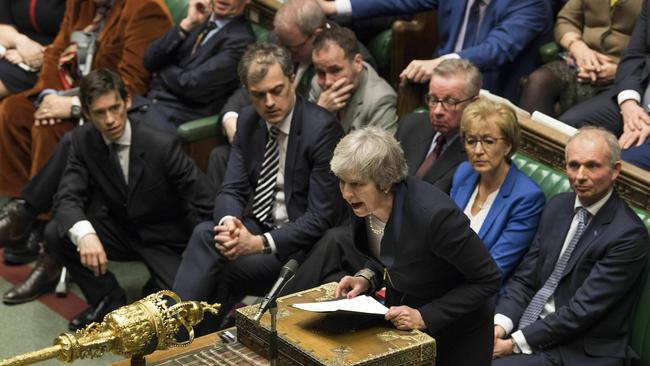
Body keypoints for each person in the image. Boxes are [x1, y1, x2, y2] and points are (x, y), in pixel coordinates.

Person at [3, 69, 214, 330]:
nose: (111, 120)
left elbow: (207, 201)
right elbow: (67, 197)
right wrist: (85, 234)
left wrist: (196, 251)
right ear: (88, 114)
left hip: (165, 239)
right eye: (100, 113)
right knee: (57, 232)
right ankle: (107, 299)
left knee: (187, 319)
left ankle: (159, 284)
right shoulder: (83, 140)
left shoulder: (161, 143)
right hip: (119, 228)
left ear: (127, 102)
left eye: (115, 108)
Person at [172, 43, 345, 334]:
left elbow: (321, 217)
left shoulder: (322, 130)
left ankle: (182, 339)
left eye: (276, 90)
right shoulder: (250, 121)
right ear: (247, 90)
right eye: (258, 95)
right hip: (256, 224)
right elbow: (232, 189)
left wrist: (258, 243)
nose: (269, 103)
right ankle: (177, 329)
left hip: (298, 247)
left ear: (292, 80)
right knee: (206, 234)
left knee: (221, 270)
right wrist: (230, 225)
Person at [0, 0, 172, 248]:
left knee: (49, 127)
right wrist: (49, 94)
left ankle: (41, 222)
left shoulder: (145, 9)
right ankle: (20, 209)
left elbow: (132, 85)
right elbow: (57, 50)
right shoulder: (80, 3)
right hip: (67, 87)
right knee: (14, 111)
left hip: (108, 106)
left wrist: (74, 106)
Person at [330, 127, 501, 366]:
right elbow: (391, 254)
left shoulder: (435, 216)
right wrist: (367, 276)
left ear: (385, 181)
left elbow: (488, 279)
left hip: (455, 333)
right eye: (342, 181)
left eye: (356, 184)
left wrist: (425, 316)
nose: (347, 193)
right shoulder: (363, 202)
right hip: (402, 317)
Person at [492, 127, 649, 365]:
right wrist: (500, 327)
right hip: (529, 332)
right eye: (573, 165)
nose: (580, 176)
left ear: (615, 170)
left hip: (576, 350)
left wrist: (514, 343)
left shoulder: (628, 234)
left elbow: (582, 311)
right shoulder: (557, 207)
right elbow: (525, 279)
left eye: (592, 166)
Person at [315, 0, 552, 102]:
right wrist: (335, 6)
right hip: (437, 90)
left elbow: (496, 49)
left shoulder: (529, 4)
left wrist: (441, 63)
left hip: (488, 97)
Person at [450, 99, 545, 279]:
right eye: (471, 141)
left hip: (479, 291)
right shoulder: (464, 172)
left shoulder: (527, 197)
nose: (478, 150)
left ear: (508, 145)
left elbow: (496, 268)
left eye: (488, 141)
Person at [138, 0, 255, 134]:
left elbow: (191, 84)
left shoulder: (242, 41)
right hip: (151, 101)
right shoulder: (200, 19)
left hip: (180, 115)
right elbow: (149, 60)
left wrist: (161, 69)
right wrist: (187, 24)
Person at [559, 0, 650, 171]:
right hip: (641, 92)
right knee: (569, 125)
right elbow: (635, 54)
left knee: (622, 163)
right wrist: (629, 103)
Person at [519, 0, 642, 117]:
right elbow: (566, 20)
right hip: (580, 60)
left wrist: (620, 70)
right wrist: (578, 48)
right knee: (538, 82)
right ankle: (526, 139)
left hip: (626, 73)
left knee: (572, 116)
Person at [396, 58, 480, 193]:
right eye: (433, 100)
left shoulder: (477, 152)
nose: (437, 111)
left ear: (474, 104)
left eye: (450, 101)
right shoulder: (410, 125)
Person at [309, 25, 397, 134]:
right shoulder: (317, 84)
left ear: (357, 62)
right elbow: (302, 141)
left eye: (335, 70)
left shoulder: (380, 99)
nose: (327, 82)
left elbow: (383, 150)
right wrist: (321, 113)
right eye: (320, 72)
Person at [0, 0, 66, 99]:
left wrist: (40, 53)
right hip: (14, 48)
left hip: (52, 60)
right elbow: (3, 25)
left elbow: (73, 39)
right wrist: (20, 42)